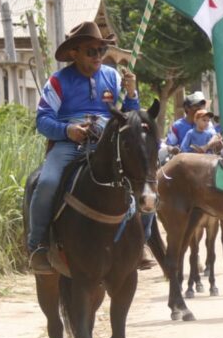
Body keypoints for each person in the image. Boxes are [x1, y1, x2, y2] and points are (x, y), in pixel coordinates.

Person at [27, 22, 139, 273]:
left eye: (101, 50)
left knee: (144, 177)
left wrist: (131, 94)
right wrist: (68, 131)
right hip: (70, 142)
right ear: (74, 53)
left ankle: (141, 242)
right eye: (91, 51)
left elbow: (130, 117)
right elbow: (42, 120)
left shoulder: (113, 77)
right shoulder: (57, 81)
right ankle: (38, 246)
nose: (98, 56)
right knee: (45, 183)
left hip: (108, 142)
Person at [164, 91, 206, 158]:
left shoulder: (207, 124)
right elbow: (169, 145)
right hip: (184, 163)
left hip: (205, 162)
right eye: (196, 105)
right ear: (187, 107)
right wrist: (173, 149)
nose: (199, 108)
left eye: (200, 106)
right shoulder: (176, 126)